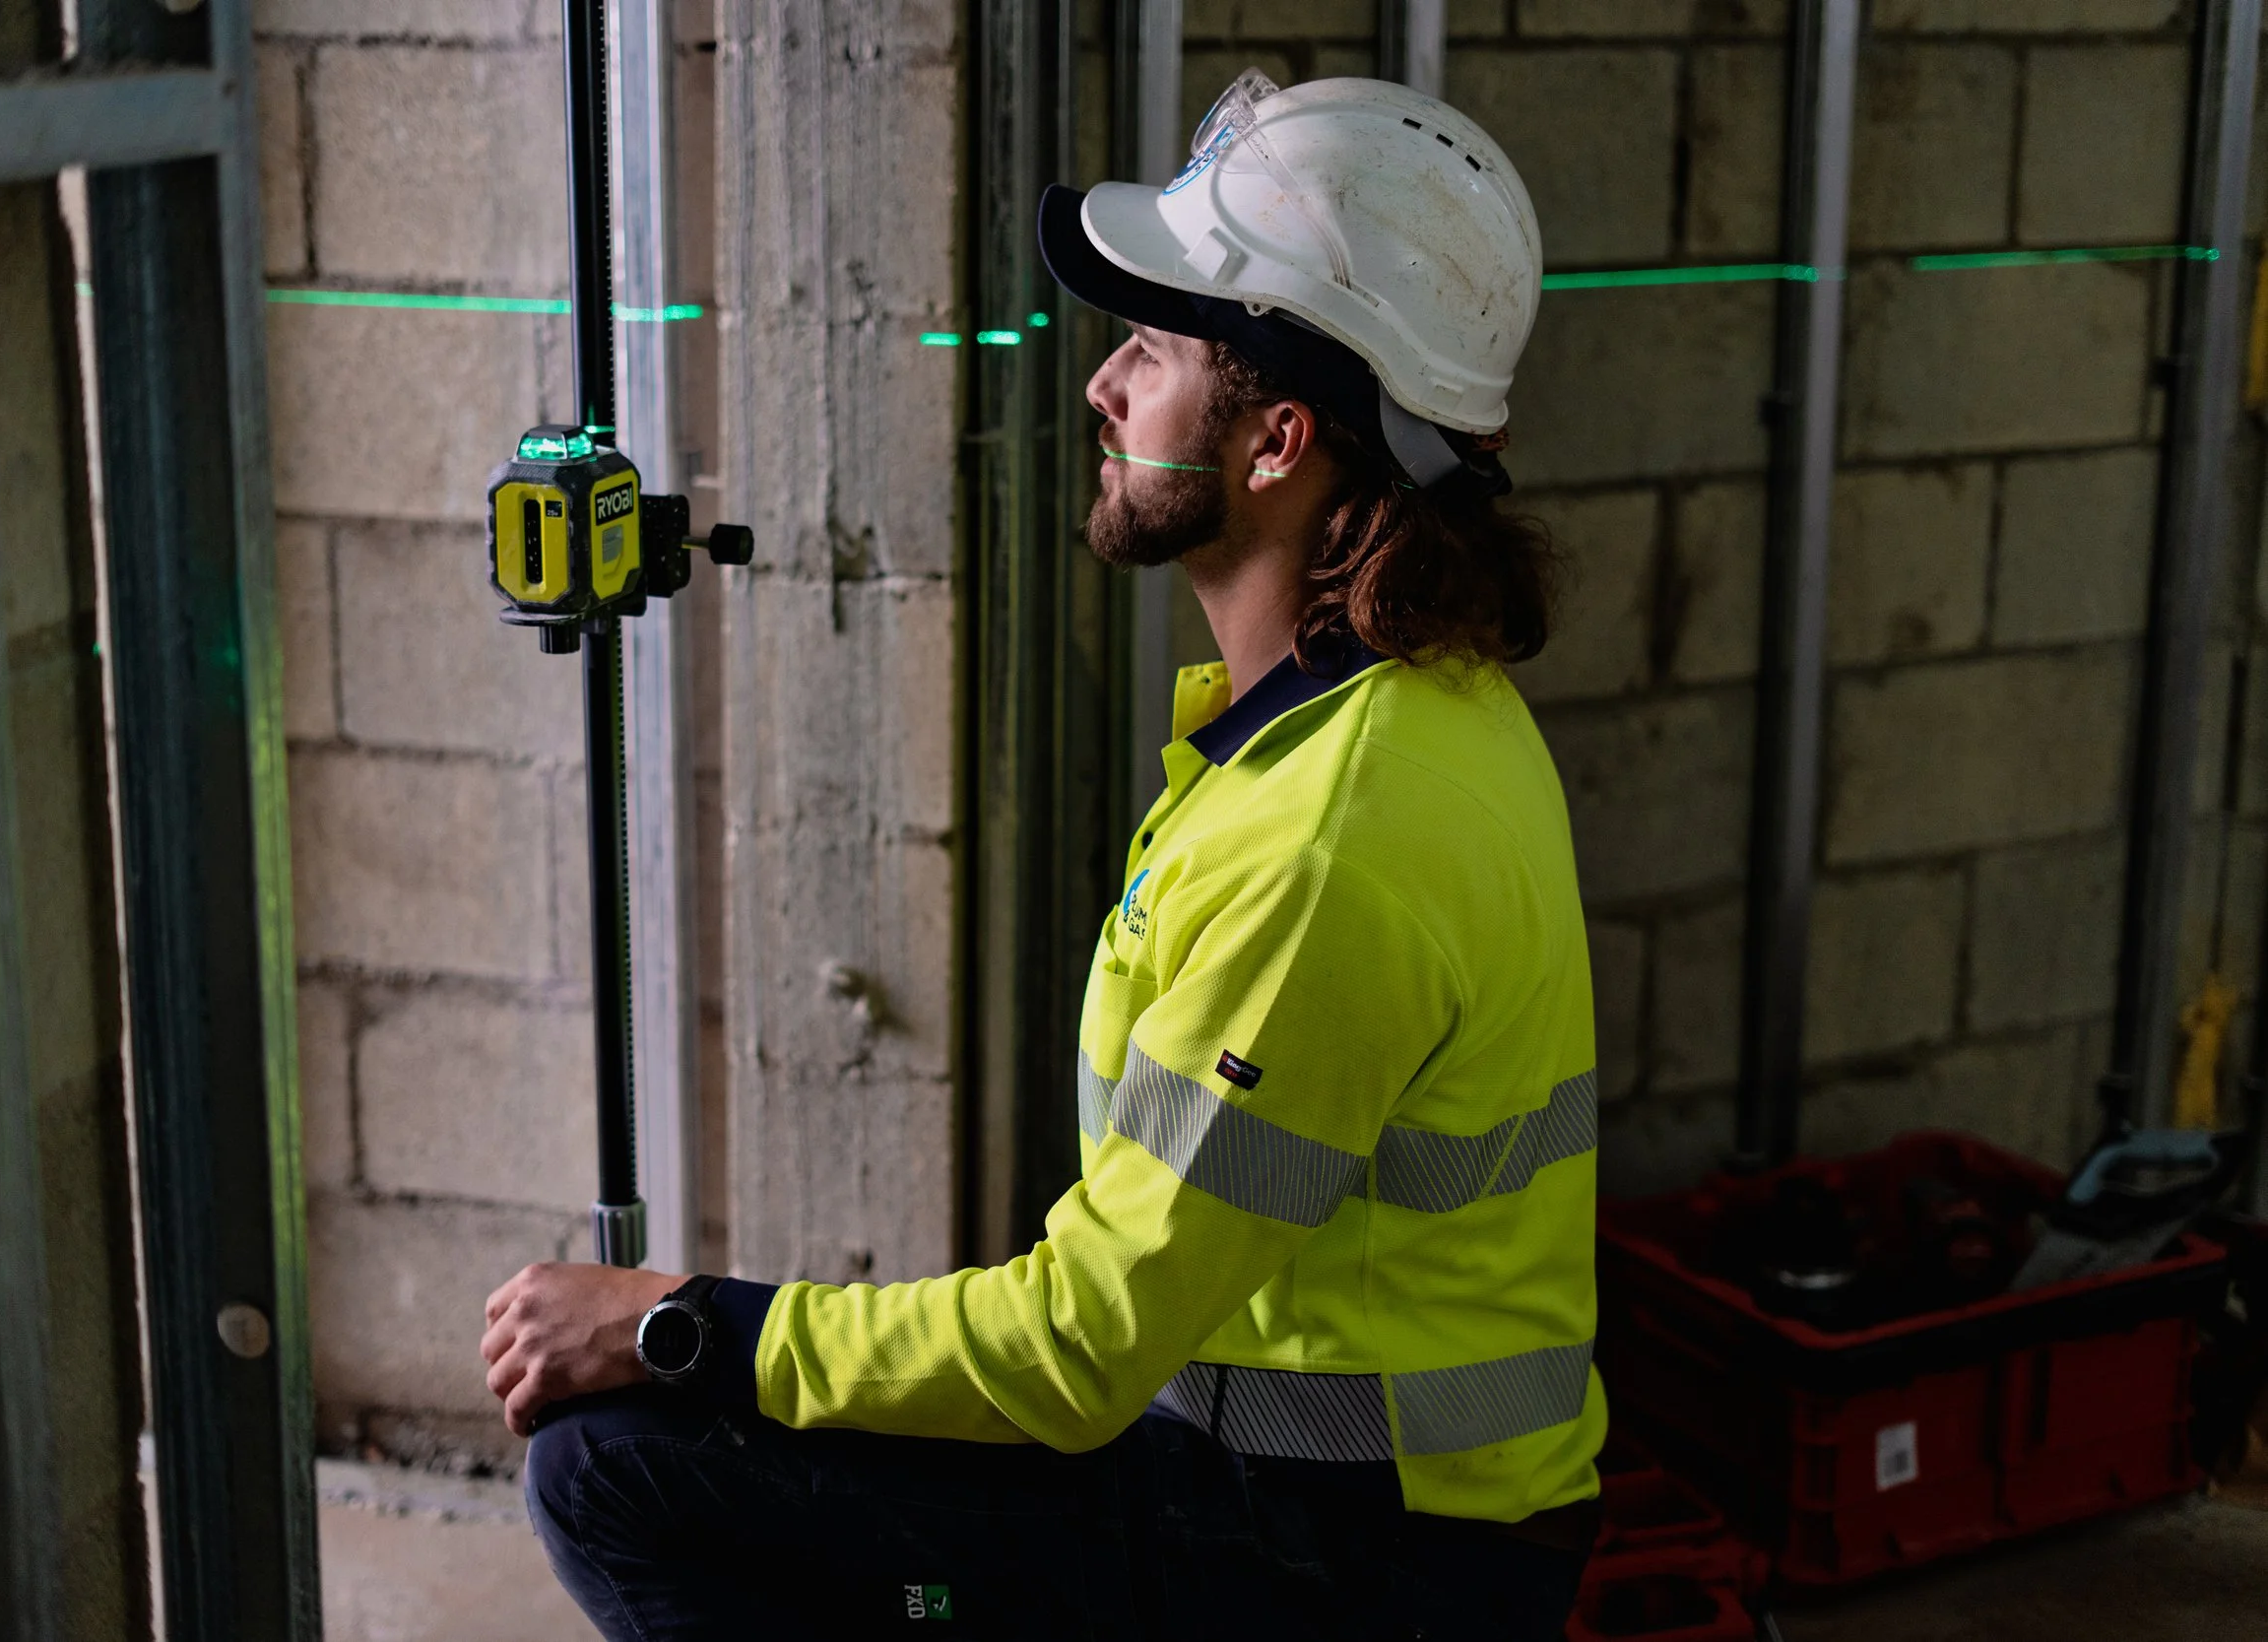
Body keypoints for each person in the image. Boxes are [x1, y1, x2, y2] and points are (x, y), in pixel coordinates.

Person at [482, 71, 1601, 1641]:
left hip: (1353, 1568)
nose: (1102, 384)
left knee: (615, 1462)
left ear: (1280, 440)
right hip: (1332, 1500)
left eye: (1152, 351)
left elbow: (1077, 1351)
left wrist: (680, 1326)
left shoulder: (1336, 833)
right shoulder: (1392, 713)